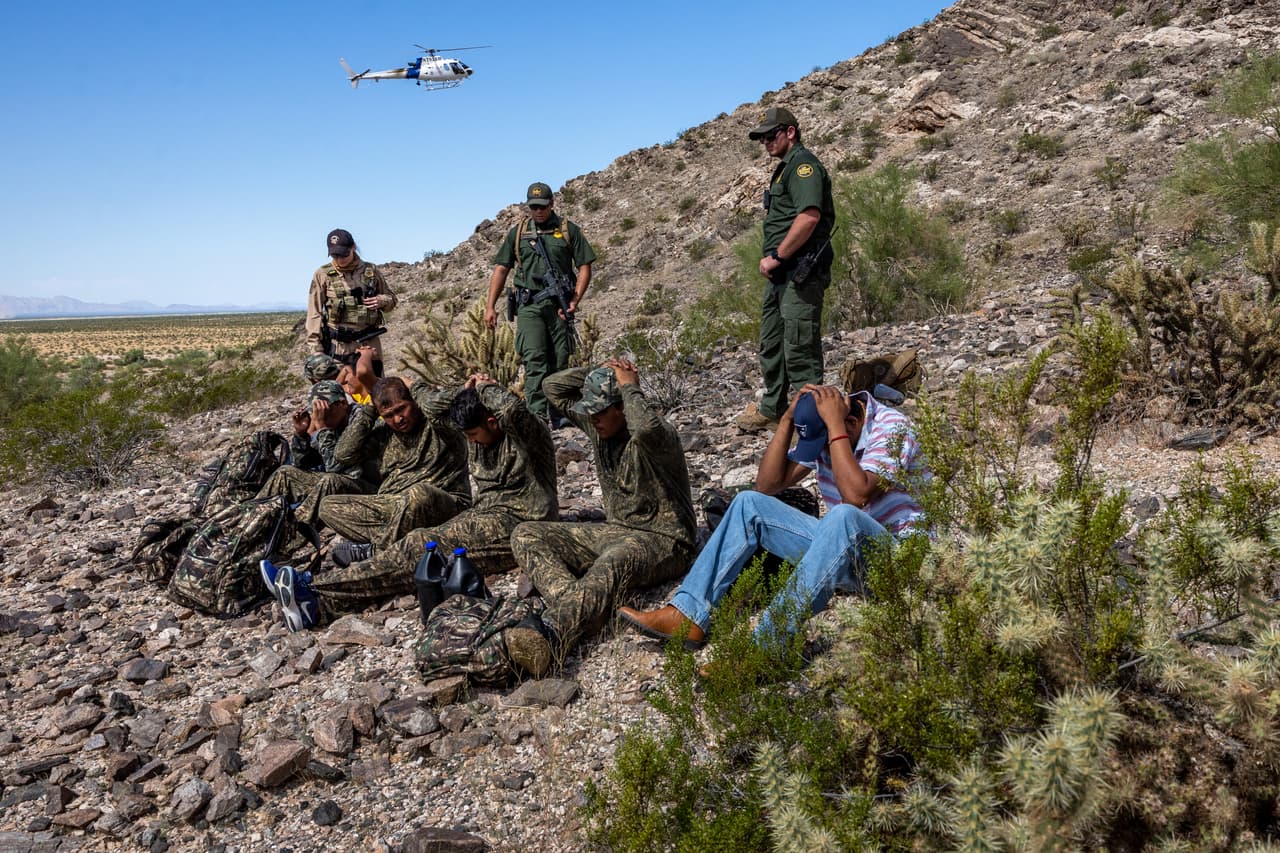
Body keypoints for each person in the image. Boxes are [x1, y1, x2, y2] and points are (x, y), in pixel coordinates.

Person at [620, 384, 928, 654]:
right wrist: (787, 420)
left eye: (827, 443)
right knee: (748, 503)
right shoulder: (830, 429)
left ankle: (769, 644)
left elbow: (856, 496)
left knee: (844, 515)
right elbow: (767, 485)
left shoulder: (893, 427)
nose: (824, 452)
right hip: (844, 550)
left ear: (851, 421)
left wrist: (835, 429)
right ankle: (687, 615)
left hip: (899, 559)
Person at [261, 374, 559, 630]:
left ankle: (316, 595)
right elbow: (343, 456)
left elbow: (513, 408)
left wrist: (481, 386)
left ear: (493, 422)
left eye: (472, 434)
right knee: (418, 545)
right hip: (484, 516)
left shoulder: (528, 438)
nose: (470, 441)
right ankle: (314, 592)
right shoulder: (476, 438)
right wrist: (373, 406)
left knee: (417, 548)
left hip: (521, 523)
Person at [502, 359, 697, 677]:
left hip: (666, 541)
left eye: (600, 412)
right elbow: (552, 387)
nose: (592, 419)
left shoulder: (657, 438)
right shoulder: (599, 427)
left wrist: (628, 385)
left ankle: (554, 629)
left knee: (616, 557)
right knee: (525, 533)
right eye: (589, 412)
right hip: (618, 531)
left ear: (622, 407)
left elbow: (646, 427)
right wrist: (600, 371)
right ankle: (583, 607)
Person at [735, 107, 837, 433]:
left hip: (800, 271)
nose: (765, 142)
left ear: (790, 132)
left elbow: (809, 217)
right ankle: (774, 409)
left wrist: (777, 256)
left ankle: (810, 421)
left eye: (770, 135)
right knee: (772, 342)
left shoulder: (804, 167)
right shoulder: (784, 169)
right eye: (761, 138)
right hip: (782, 274)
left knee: (799, 345)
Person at [484, 182, 596, 428]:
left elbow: (585, 266)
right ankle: (537, 416)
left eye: (542, 206)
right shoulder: (518, 233)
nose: (538, 211)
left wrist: (575, 300)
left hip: (559, 305)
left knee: (560, 358)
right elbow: (502, 268)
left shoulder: (568, 230)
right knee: (534, 358)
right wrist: (490, 306)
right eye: (533, 207)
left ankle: (560, 412)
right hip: (530, 306)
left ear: (552, 204)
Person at [316, 376, 471, 549]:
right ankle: (398, 539)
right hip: (391, 504)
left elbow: (445, 404)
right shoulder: (384, 433)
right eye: (388, 415)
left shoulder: (437, 425)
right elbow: (343, 455)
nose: (398, 419)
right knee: (327, 506)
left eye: (401, 409)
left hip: (438, 503)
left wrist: (415, 386)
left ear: (413, 401)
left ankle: (378, 551)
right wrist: (369, 411)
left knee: (419, 494)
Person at [257, 380, 378, 527]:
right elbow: (301, 464)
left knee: (330, 480)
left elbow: (335, 467)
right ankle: (249, 518)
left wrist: (321, 429)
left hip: (368, 487)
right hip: (344, 482)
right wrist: (301, 436)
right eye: (317, 412)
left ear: (342, 403)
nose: (322, 415)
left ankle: (292, 532)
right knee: (285, 474)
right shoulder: (334, 423)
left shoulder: (361, 421)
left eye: (326, 410)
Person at [305, 228, 397, 377]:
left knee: (376, 388)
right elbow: (314, 313)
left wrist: (382, 300)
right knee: (340, 388)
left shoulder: (371, 270)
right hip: (339, 347)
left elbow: (392, 300)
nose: (340, 259)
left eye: (344, 254)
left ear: (353, 247)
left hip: (369, 345)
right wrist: (316, 350)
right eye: (335, 255)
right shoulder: (322, 274)